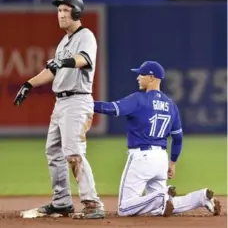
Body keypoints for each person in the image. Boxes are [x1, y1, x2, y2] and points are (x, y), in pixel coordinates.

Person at [14, 0, 104, 219]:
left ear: (76, 12)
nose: (61, 15)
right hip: (61, 102)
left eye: (65, 10)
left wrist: (62, 61)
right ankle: (62, 202)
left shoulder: (86, 36)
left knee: (73, 153)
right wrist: (28, 84)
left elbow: (84, 59)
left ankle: (93, 204)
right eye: (59, 10)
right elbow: (52, 71)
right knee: (54, 152)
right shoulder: (64, 41)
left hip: (77, 100)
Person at [93, 61, 221, 217]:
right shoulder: (171, 105)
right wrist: (172, 163)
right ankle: (200, 197)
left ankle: (162, 195)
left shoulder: (139, 99)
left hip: (142, 158)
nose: (138, 77)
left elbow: (112, 109)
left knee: (124, 208)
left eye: (141, 74)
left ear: (152, 77)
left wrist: (86, 104)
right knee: (158, 208)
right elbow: (178, 138)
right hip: (161, 158)